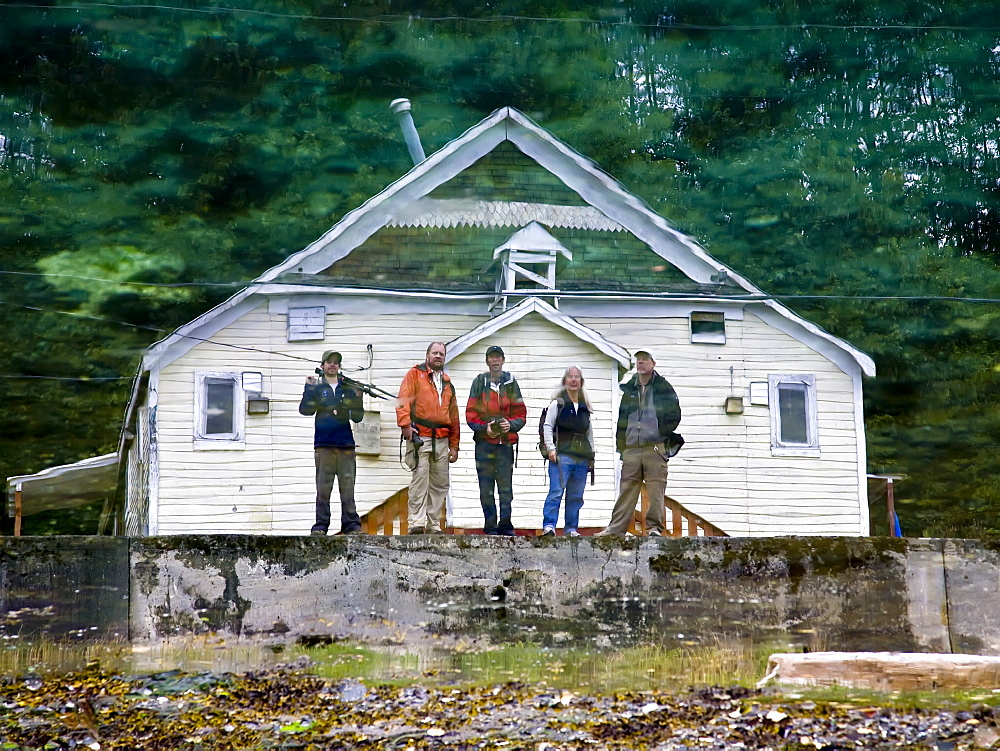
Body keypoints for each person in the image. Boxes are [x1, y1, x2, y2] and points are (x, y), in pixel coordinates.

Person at [597, 349, 683, 537]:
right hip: (631, 449)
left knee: (655, 490)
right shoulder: (630, 389)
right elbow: (622, 420)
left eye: (645, 360)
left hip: (654, 446)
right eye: (638, 360)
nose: (641, 363)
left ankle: (654, 530)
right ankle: (616, 530)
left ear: (653, 364)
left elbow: (675, 414)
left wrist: (660, 432)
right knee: (626, 491)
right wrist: (622, 448)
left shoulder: (663, 387)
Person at [396, 341, 460, 534]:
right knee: (419, 481)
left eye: (441, 353)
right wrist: (405, 425)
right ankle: (416, 523)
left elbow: (454, 416)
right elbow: (403, 400)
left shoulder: (448, 384)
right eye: (435, 353)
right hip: (420, 436)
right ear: (427, 356)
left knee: (440, 484)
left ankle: (433, 525)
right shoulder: (415, 374)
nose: (438, 356)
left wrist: (454, 445)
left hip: (442, 438)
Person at [299, 350, 365, 536]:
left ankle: (351, 525)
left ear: (339, 366)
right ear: (323, 365)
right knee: (323, 487)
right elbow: (305, 410)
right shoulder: (317, 389)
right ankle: (320, 526)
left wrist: (358, 397)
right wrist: (308, 388)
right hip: (324, 444)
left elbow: (358, 417)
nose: (332, 365)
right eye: (329, 362)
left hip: (345, 445)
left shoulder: (347, 389)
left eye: (336, 362)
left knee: (348, 488)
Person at [466, 345, 527, 536]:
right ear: (487, 361)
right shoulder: (479, 382)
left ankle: (506, 524)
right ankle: (490, 526)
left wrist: (511, 425)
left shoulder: (511, 383)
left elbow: (521, 414)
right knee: (486, 487)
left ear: (503, 360)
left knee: (505, 487)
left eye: (498, 357)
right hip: (484, 445)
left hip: (505, 445)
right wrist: (486, 428)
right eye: (491, 357)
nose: (495, 361)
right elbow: (470, 414)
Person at [540, 366, 595, 538]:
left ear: (581, 381)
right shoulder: (558, 404)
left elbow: (589, 433)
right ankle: (549, 526)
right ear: (565, 381)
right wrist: (551, 448)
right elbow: (547, 426)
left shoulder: (585, 408)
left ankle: (571, 529)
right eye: (570, 377)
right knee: (556, 492)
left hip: (581, 458)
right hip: (561, 456)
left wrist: (592, 455)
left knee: (576, 496)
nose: (573, 380)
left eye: (576, 377)